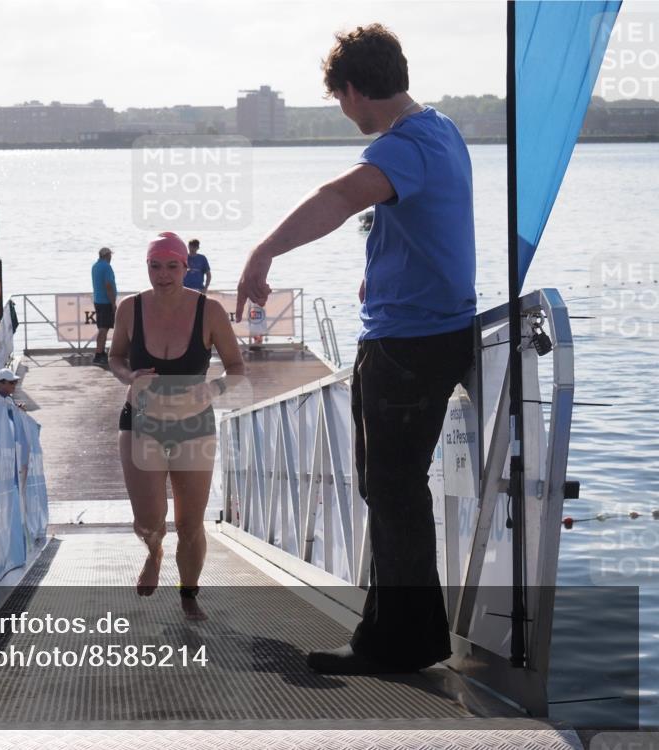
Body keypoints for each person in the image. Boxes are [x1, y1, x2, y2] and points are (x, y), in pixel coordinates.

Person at [236, 23, 476, 674]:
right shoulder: (443, 131)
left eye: (340, 99)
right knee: (393, 490)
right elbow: (423, 229)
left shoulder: (405, 147)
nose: (344, 112)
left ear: (352, 90)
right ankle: (402, 634)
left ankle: (399, 644)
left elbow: (340, 196)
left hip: (408, 344)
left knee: (393, 490)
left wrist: (264, 253)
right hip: (429, 332)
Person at [109, 231, 244, 620]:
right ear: (147, 267)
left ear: (187, 267)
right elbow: (116, 358)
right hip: (140, 422)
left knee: (189, 522)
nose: (163, 275)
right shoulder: (130, 309)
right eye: (155, 266)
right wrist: (129, 376)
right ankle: (154, 551)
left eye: (172, 266)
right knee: (148, 519)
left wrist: (212, 389)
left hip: (193, 425)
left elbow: (236, 369)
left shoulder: (210, 311)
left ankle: (188, 593)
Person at [91, 247, 117, 367]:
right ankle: (99, 354)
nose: (111, 257)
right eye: (110, 255)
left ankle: (100, 353)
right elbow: (108, 285)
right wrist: (113, 303)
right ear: (107, 256)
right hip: (105, 302)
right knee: (103, 329)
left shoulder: (95, 266)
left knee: (102, 328)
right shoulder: (106, 267)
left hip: (98, 300)